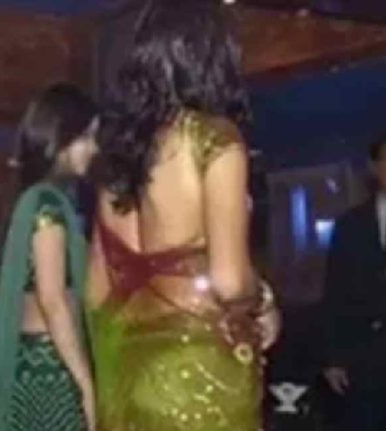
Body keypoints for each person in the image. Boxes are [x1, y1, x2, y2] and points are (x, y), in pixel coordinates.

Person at [86, 1, 279, 430]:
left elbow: (96, 295)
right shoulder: (215, 139)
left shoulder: (116, 157)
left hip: (126, 373)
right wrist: (263, 300)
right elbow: (229, 282)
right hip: (199, 367)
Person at [0, 84, 99, 431]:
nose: (95, 148)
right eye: (87, 137)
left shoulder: (39, 199)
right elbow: (53, 300)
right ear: (62, 140)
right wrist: (84, 384)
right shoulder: (47, 206)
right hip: (50, 368)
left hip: (38, 359)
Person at [322, 136, 386, 431]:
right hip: (366, 364)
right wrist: (333, 358)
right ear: (375, 167)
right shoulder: (350, 225)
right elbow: (335, 292)